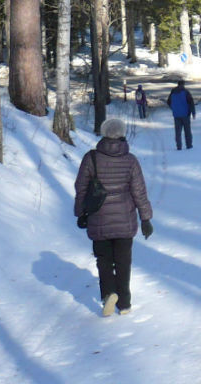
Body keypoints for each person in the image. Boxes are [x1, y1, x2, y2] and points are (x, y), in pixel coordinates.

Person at [74, 118, 154, 317]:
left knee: (103, 260)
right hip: (124, 220)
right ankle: (125, 303)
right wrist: (145, 218)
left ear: (103, 134)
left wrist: (80, 212)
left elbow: (81, 188)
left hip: (98, 218)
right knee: (123, 261)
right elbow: (139, 192)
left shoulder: (91, 158)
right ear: (122, 134)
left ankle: (108, 294)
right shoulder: (130, 160)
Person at [167, 79, 196, 150]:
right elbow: (191, 102)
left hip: (176, 115)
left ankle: (179, 147)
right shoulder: (186, 92)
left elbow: (168, 102)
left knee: (178, 132)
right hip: (185, 114)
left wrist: (173, 108)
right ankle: (189, 145)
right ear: (183, 84)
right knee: (187, 131)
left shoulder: (173, 92)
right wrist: (193, 112)